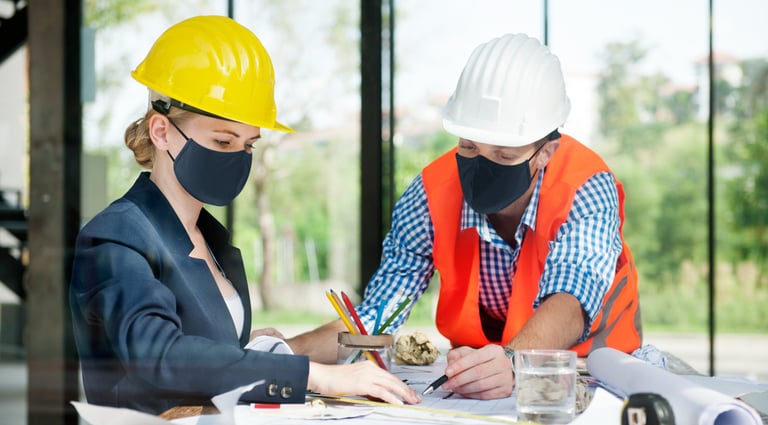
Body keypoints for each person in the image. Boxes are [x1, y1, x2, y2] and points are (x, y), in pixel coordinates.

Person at [69, 15, 419, 415]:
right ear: (161, 131)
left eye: (248, 144)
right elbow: (161, 356)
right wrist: (314, 375)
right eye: (223, 141)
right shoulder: (115, 236)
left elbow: (208, 353)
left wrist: (255, 350)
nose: (237, 157)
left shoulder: (210, 239)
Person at [288, 33, 642, 399]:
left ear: (546, 151)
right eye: (469, 146)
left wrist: (513, 361)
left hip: (594, 375)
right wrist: (284, 353)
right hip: (478, 385)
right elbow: (378, 313)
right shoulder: (430, 192)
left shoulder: (585, 185)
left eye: (504, 155)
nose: (483, 164)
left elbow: (571, 299)